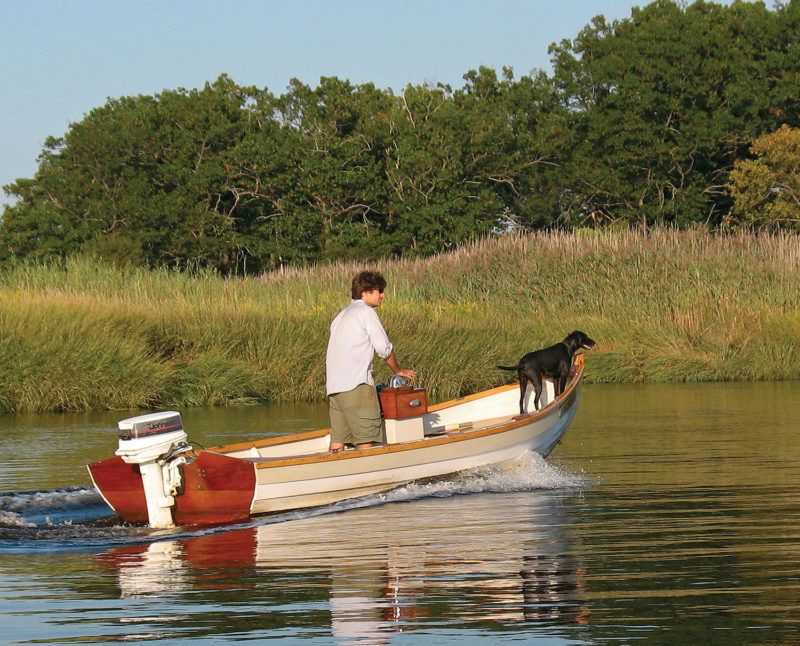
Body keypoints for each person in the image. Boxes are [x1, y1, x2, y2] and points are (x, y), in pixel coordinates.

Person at [325, 270, 417, 452]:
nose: (383, 295)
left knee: (338, 441)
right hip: (357, 386)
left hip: (335, 390)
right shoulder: (366, 313)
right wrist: (398, 371)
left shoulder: (341, 316)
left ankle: (336, 475)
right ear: (365, 292)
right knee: (366, 440)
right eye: (379, 290)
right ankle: (366, 479)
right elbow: (384, 348)